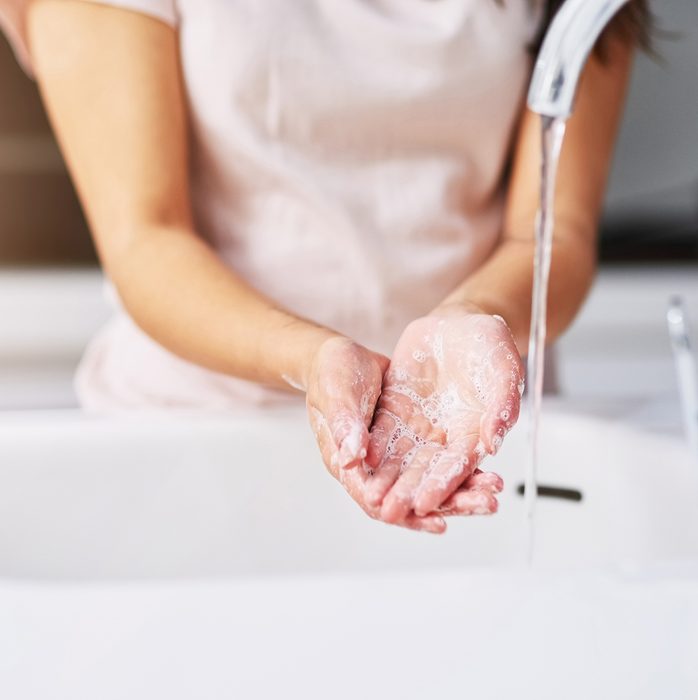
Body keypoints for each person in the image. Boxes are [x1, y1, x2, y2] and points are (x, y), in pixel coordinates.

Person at [0, 0, 650, 533]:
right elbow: (146, 237)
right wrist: (312, 358)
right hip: (190, 446)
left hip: (464, 444)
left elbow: (552, 232)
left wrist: (473, 315)